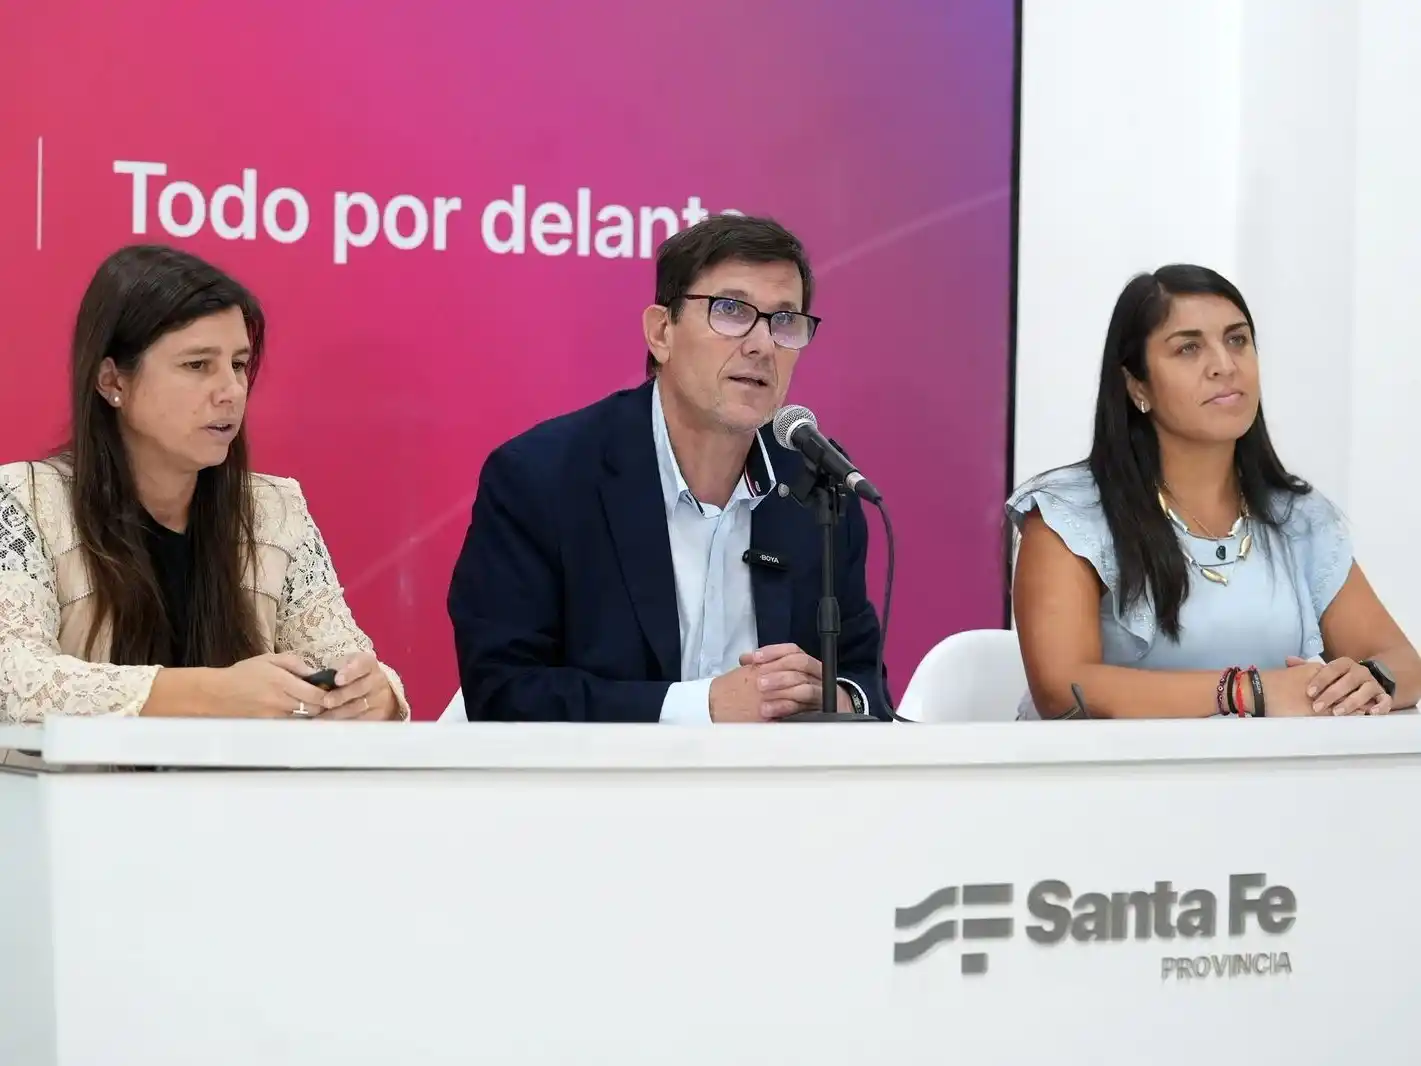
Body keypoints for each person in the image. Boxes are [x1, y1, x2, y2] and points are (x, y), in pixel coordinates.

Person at [448, 213, 886, 722]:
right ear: (661, 332)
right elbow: (503, 692)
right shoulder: (542, 479)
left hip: (775, 776)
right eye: (731, 310)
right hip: (602, 776)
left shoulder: (818, 485)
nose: (762, 345)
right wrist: (704, 706)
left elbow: (867, 681)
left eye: (785, 320)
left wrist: (837, 700)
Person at [0, 245, 408, 723]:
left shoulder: (274, 510)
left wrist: (374, 697)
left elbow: (343, 658)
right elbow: (15, 681)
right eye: (197, 365)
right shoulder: (25, 503)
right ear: (112, 381)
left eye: (238, 364)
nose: (231, 391)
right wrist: (213, 694)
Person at [1008, 264, 1420, 720]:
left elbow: (1403, 662)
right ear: (1137, 384)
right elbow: (1064, 689)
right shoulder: (1070, 513)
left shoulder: (1296, 515)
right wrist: (1247, 692)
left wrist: (1370, 680)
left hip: (1267, 767)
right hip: (1104, 767)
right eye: (1188, 348)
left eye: (1237, 340)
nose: (1225, 365)